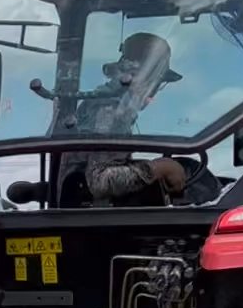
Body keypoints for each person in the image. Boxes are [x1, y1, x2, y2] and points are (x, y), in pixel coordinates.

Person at [63, 32, 188, 204]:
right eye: (154, 83)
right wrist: (160, 168)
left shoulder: (106, 103)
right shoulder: (111, 109)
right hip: (87, 211)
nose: (153, 93)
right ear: (139, 78)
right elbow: (99, 181)